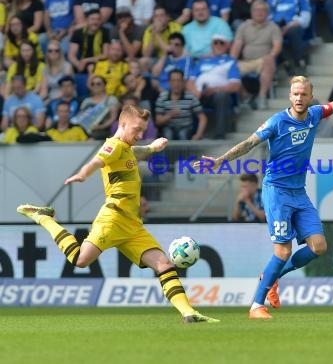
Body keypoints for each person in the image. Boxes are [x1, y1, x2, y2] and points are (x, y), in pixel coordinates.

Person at [193, 54, 333, 319]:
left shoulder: (315, 115)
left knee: (318, 246)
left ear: (310, 96)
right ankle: (256, 306)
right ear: (289, 96)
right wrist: (220, 161)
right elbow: (249, 143)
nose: (298, 98)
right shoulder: (276, 122)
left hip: (299, 192)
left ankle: (269, 277)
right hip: (277, 192)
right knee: (282, 251)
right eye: (295, 93)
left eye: (303, 94)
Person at [16, 104, 219, 324]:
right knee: (80, 260)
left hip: (133, 225)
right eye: (136, 129)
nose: (140, 135)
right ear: (122, 124)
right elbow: (97, 161)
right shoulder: (113, 145)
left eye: (143, 130)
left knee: (165, 265)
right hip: (113, 218)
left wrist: (151, 148)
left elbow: (134, 153)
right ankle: (44, 217)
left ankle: (189, 313)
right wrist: (83, 174)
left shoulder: (126, 147)